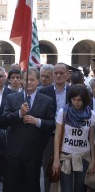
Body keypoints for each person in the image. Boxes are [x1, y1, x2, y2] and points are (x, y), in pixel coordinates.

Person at [1, 67, 55, 192]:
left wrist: (37, 121)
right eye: (26, 80)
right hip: (14, 152)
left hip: (34, 152)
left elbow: (52, 124)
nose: (28, 83)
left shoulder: (47, 101)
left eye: (32, 80)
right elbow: (4, 119)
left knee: (31, 185)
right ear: (21, 81)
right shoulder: (12, 98)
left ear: (38, 81)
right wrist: (19, 113)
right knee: (12, 185)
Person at [52, 84, 95, 192]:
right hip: (66, 156)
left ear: (85, 100)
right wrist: (56, 159)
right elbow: (57, 136)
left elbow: (91, 139)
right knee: (66, 189)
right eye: (73, 99)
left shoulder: (91, 115)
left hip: (84, 157)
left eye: (79, 100)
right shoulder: (63, 112)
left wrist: (93, 160)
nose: (76, 103)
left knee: (80, 188)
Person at [39, 62, 71, 192]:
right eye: (56, 73)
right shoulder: (43, 92)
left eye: (61, 73)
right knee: (49, 169)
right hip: (48, 137)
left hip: (68, 136)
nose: (58, 76)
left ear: (68, 75)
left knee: (67, 170)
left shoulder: (74, 92)